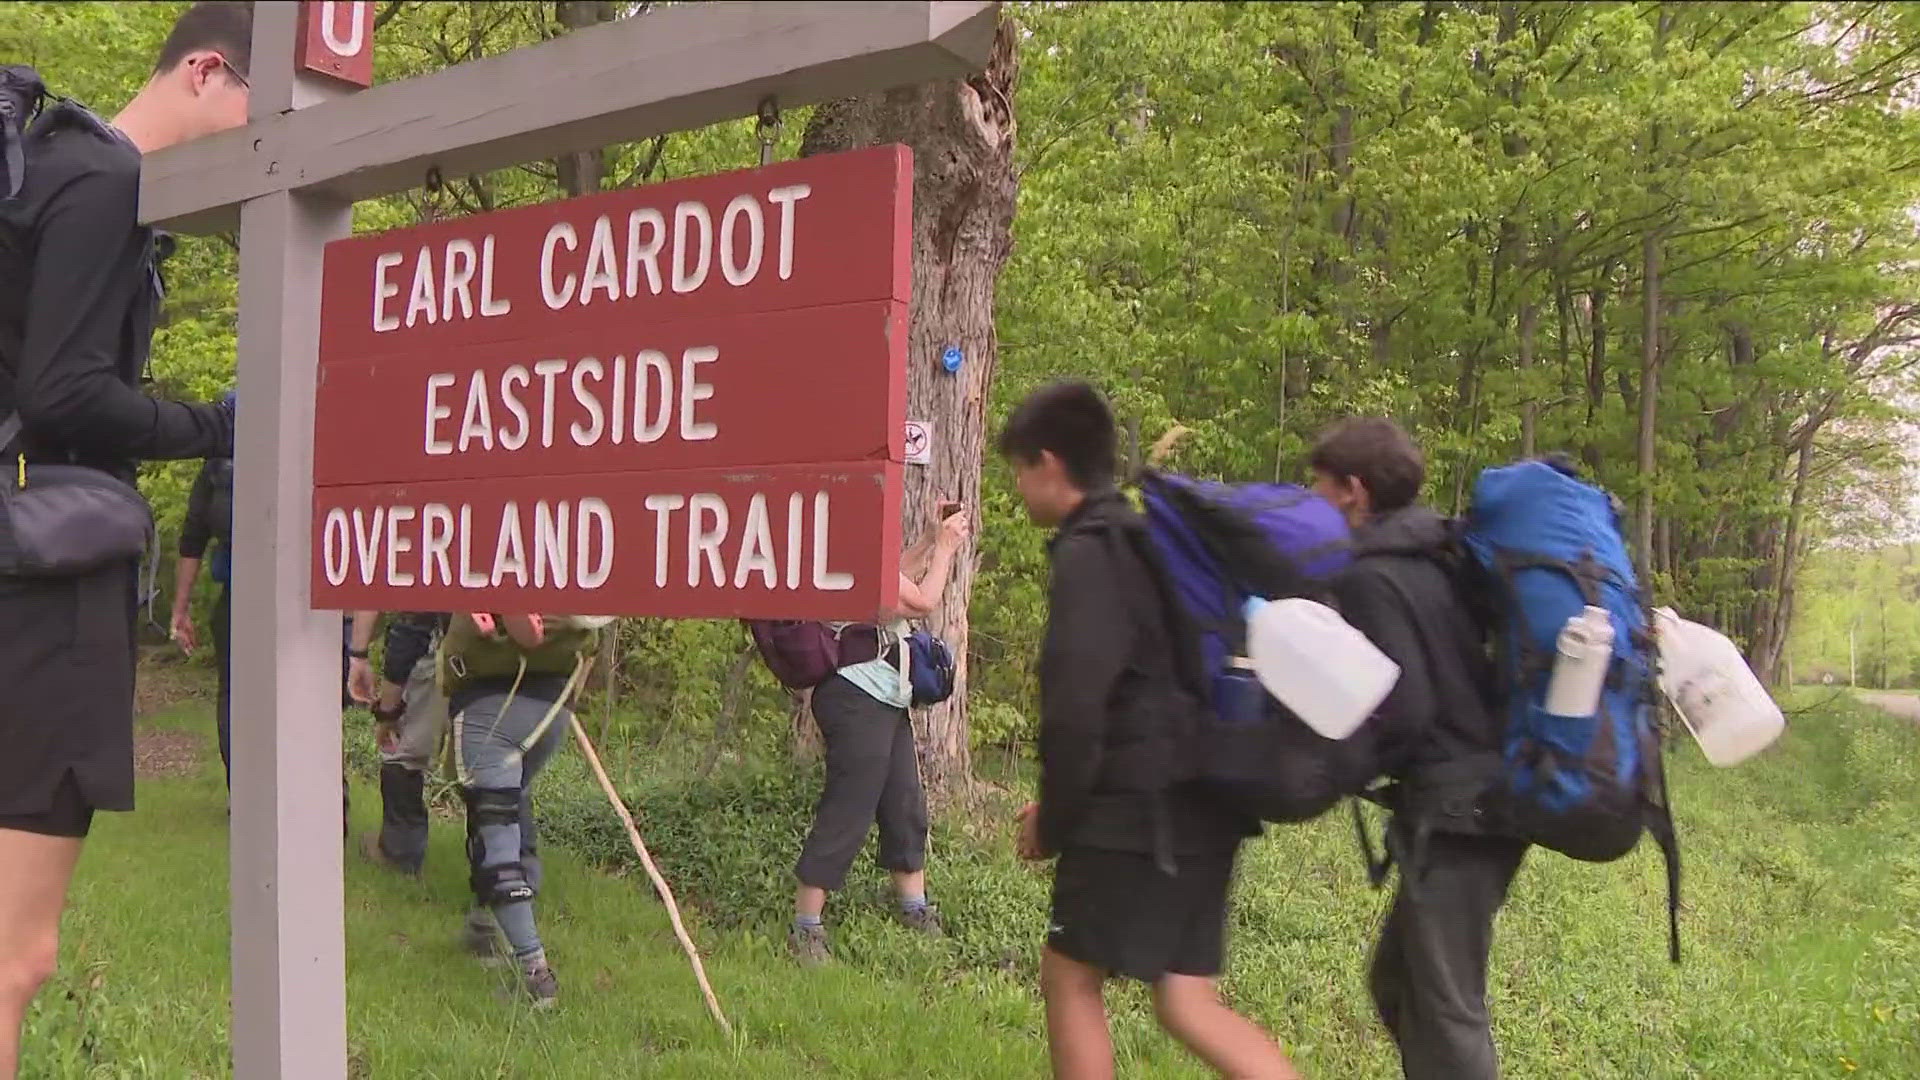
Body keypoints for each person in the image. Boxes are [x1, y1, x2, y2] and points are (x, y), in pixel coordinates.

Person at [0, 4, 250, 1073]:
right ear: (205, 72)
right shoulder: (107, 182)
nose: (264, 137)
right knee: (14, 956)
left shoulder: (40, 167)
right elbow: (64, 389)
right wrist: (214, 429)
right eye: (258, 106)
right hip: (42, 589)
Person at [999, 381, 1297, 1080]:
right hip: (1205, 800)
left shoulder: (1092, 553)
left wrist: (1059, 821)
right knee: (1186, 1002)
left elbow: (1076, 711)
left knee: (1068, 978)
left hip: (1136, 812)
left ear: (1048, 462)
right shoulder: (1152, 543)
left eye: (1018, 469)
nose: (1016, 486)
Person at [1309, 417, 1527, 1080]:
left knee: (1446, 1009)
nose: (1310, 498)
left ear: (1352, 490)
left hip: (1460, 811)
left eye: (1317, 485)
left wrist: (1332, 769)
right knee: (1398, 983)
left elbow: (1403, 706)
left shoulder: (1371, 577)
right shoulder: (1441, 554)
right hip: (1478, 799)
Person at [788, 500, 969, 965]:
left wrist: (929, 540)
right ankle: (806, 925)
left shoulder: (858, 561)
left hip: (885, 697)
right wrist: (947, 549)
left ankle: (913, 907)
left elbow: (896, 579)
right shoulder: (842, 559)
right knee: (850, 803)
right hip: (855, 696)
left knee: (903, 800)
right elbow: (922, 600)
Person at [438, 612, 603, 1007]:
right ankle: (483, 929)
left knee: (496, 830)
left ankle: (535, 975)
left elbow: (527, 629)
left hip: (496, 697)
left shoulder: (502, 555)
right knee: (506, 811)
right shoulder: (573, 562)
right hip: (551, 702)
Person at [346, 610, 452, 875]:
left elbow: (411, 626)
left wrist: (388, 712)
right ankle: (509, 871)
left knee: (403, 751)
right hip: (500, 652)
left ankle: (399, 851)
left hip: (434, 642)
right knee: (494, 765)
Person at [170, 392, 236, 787]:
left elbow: (194, 534)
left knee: (233, 691)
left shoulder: (219, 453)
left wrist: (181, 608)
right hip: (300, 597)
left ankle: (242, 790)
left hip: (238, 590)